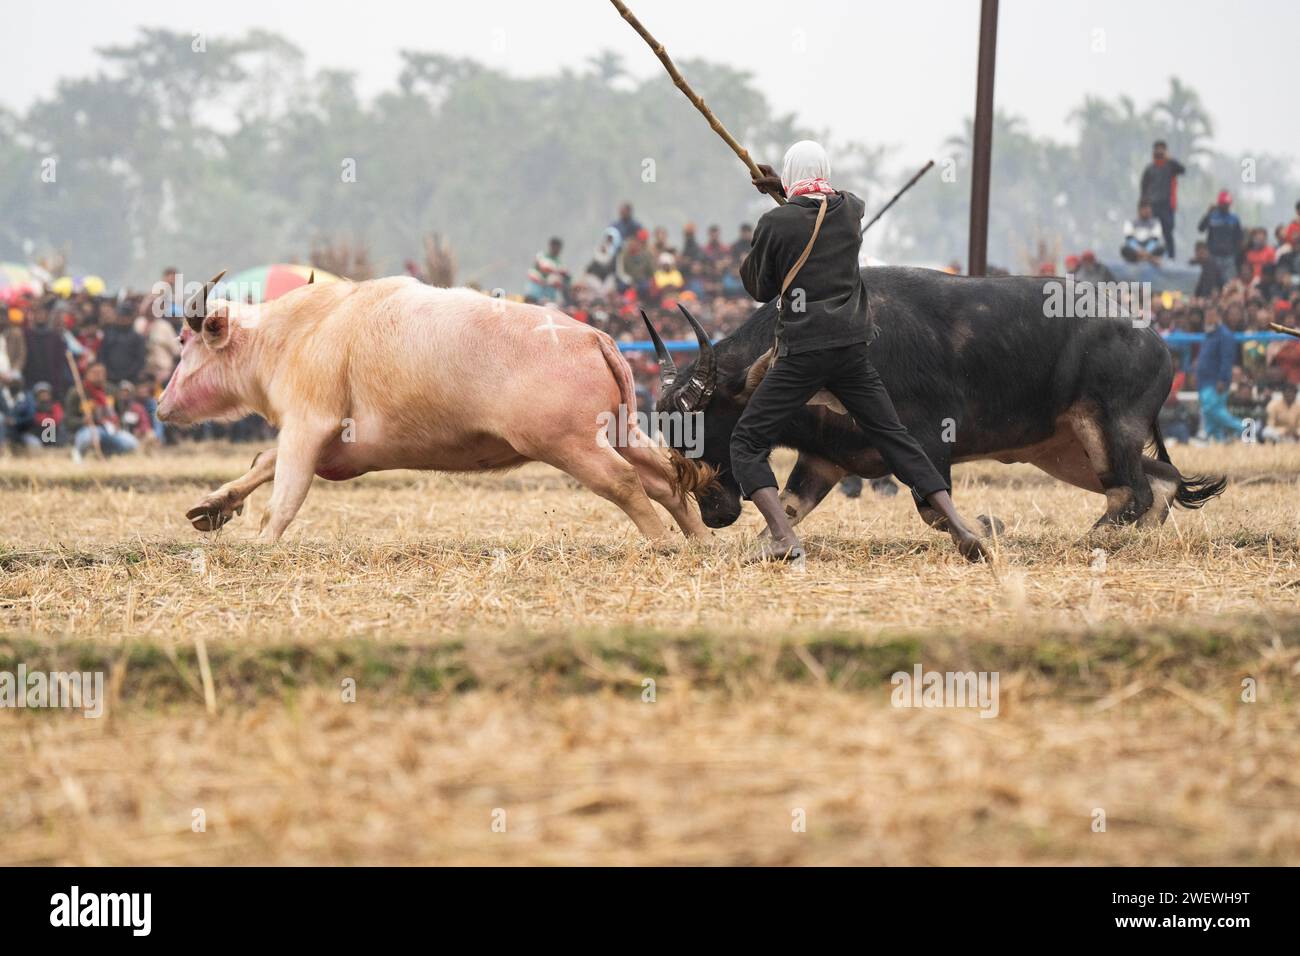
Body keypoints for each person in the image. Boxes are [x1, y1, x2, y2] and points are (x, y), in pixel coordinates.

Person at [730, 140, 988, 562]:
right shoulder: (851, 210)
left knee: (746, 442)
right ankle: (958, 525)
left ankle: (782, 536)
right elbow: (822, 204)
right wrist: (785, 188)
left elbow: (758, 287)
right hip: (852, 349)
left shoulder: (775, 224)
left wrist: (773, 215)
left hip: (803, 351)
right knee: (896, 437)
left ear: (792, 176)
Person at [1195, 306, 1242, 442]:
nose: (1208, 318)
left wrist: (1223, 379)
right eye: (1207, 315)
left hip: (1215, 381)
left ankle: (1242, 428)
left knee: (1211, 410)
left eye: (1211, 315)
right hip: (1204, 381)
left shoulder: (1225, 335)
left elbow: (1227, 359)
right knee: (1211, 413)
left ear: (1218, 316)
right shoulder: (1209, 334)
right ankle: (1216, 440)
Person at [1139, 140, 1186, 258]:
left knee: (1167, 233)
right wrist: (1144, 205)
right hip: (1153, 206)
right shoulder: (1149, 169)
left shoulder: (1170, 166)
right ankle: (1149, 256)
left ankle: (1171, 258)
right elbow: (1143, 188)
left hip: (1167, 206)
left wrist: (1169, 158)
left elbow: (1182, 170)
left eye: (1162, 149)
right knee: (1151, 233)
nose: (1159, 152)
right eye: (1157, 149)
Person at [1198, 191, 1243, 283]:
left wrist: (1235, 253)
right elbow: (1201, 228)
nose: (1225, 207)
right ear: (1219, 204)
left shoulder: (1234, 219)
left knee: (1229, 282)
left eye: (1227, 205)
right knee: (1213, 280)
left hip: (1229, 256)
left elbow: (1238, 238)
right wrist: (1208, 214)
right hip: (1214, 255)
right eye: (1223, 204)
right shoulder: (1212, 217)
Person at [524, 237, 568, 305]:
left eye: (558, 248)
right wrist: (557, 270)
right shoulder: (542, 255)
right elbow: (544, 267)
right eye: (554, 247)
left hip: (548, 292)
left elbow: (561, 279)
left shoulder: (559, 262)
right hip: (535, 289)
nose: (556, 250)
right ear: (551, 246)